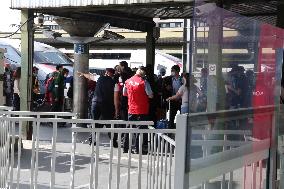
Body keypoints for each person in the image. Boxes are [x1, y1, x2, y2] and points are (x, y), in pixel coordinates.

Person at [123, 66, 153, 154]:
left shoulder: (128, 81)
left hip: (131, 109)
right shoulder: (144, 82)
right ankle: (138, 149)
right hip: (142, 109)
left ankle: (125, 148)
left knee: (129, 128)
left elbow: (124, 93)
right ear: (144, 74)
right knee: (140, 130)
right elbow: (150, 95)